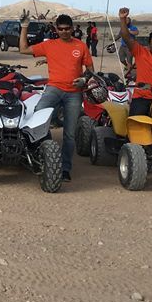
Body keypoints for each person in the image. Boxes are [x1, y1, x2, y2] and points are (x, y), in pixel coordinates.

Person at [18, 12, 94, 181]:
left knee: (69, 133)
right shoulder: (49, 45)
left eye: (67, 29)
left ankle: (65, 168)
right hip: (54, 89)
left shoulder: (81, 46)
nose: (64, 32)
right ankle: (46, 153)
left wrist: (84, 79)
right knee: (37, 117)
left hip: (74, 93)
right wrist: (24, 26)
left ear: (72, 29)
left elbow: (90, 70)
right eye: (61, 29)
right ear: (56, 29)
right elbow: (23, 49)